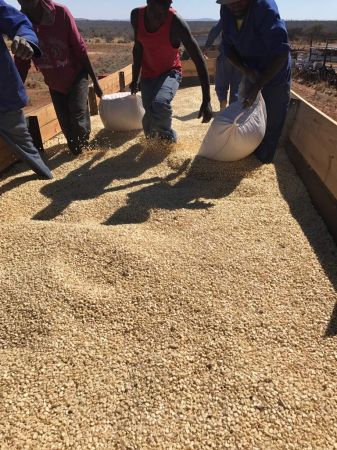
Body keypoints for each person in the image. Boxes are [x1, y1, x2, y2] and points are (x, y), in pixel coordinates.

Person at [16, 0, 103, 156]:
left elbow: (80, 48)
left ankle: (84, 149)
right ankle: (76, 148)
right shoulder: (21, 22)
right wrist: (16, 93)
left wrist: (95, 81)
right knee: (66, 126)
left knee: (77, 114)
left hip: (76, 74)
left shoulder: (60, 13)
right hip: (53, 82)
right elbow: (22, 63)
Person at [218, 0, 291, 163]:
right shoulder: (227, 10)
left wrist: (258, 85)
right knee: (243, 111)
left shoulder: (264, 8)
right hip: (250, 67)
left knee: (272, 116)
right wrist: (246, 71)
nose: (234, 5)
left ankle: (262, 161)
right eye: (229, 2)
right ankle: (244, 152)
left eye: (238, 1)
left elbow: (282, 52)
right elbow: (228, 49)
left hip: (274, 69)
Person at [130, 0, 213, 143]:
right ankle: (153, 144)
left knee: (160, 104)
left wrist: (207, 100)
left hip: (170, 72)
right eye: (158, 8)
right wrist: (135, 78)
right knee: (150, 119)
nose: (162, 14)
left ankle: (168, 142)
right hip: (148, 75)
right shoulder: (136, 15)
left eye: (167, 6)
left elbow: (199, 60)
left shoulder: (176, 22)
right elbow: (138, 48)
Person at [0, 0, 52, 179]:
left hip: (3, 97)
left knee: (26, 148)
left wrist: (26, 39)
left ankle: (46, 177)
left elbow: (20, 23)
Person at [204, 19, 241, 109]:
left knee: (222, 81)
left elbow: (215, 30)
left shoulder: (229, 14)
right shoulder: (248, 16)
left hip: (227, 54)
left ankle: (223, 103)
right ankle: (232, 111)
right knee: (236, 86)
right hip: (241, 57)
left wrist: (207, 46)